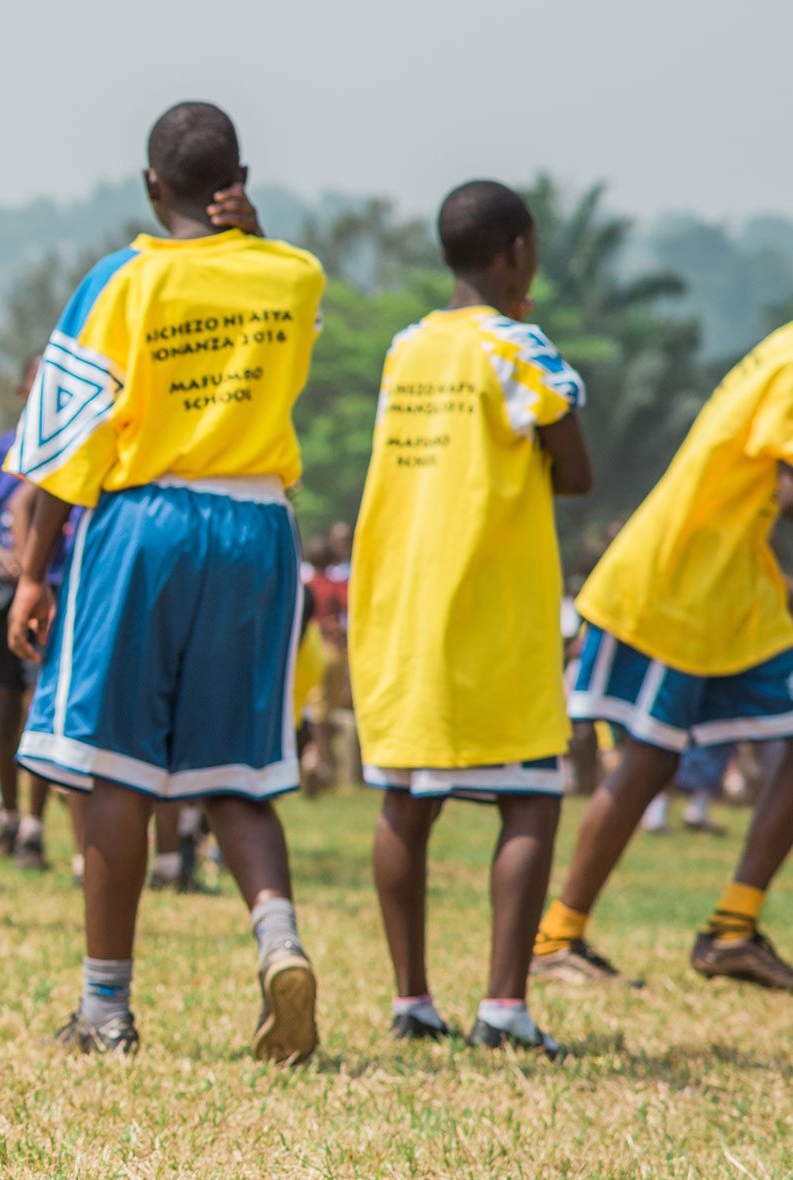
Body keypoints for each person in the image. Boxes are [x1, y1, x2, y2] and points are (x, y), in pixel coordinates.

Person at [5, 101, 326, 1061]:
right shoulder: (295, 274)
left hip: (147, 521)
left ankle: (106, 1011)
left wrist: (31, 573)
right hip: (260, 523)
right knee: (237, 770)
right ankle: (279, 941)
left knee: (117, 767)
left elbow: (67, 444)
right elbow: (284, 318)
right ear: (240, 178)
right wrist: (258, 239)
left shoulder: (122, 282)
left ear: (153, 185)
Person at [352, 181, 593, 1056]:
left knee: (404, 800)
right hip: (491, 611)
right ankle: (504, 1008)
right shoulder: (517, 345)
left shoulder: (404, 347)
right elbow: (576, 470)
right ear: (516, 250)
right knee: (529, 800)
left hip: (404, 605)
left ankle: (411, 999)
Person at [540, 317, 793, 995]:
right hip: (676, 583)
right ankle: (558, 936)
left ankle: (733, 929)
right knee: (648, 757)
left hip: (734, 587)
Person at [0, 354, 74, 872]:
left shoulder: (73, 450)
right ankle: (5, 814)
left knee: (41, 709)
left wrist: (39, 568)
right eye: (35, 385)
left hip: (57, 589)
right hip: (2, 592)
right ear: (22, 392)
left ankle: (35, 826)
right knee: (3, 714)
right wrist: (3, 557)